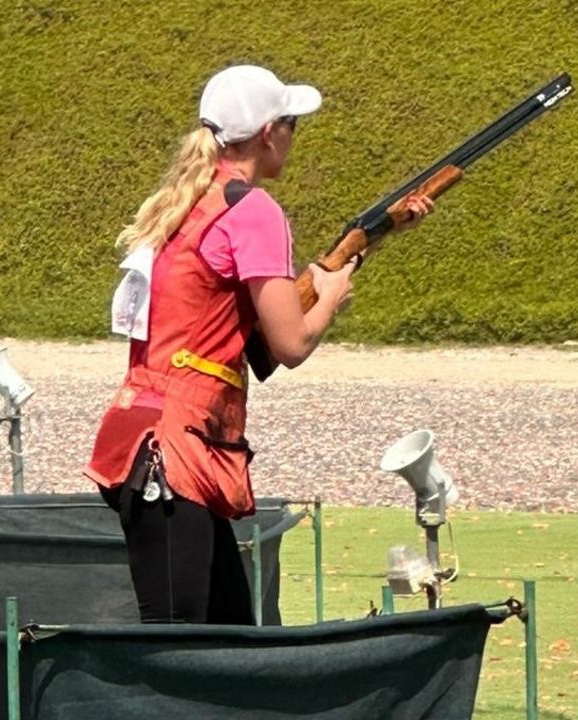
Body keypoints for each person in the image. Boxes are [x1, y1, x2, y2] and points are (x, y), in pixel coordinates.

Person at [84, 64, 433, 624]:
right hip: (176, 452)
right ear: (269, 132)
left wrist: (366, 249)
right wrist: (330, 299)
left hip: (154, 441)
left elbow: (234, 327)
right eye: (292, 123)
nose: (296, 136)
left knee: (225, 641)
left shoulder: (190, 201)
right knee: (177, 659)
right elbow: (290, 343)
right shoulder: (256, 211)